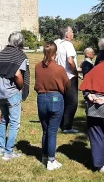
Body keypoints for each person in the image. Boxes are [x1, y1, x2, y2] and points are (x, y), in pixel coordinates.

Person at [0, 31, 30, 160]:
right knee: (14, 123)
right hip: (12, 92)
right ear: (20, 42)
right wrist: (21, 87)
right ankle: (8, 152)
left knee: (4, 119)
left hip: (0, 92)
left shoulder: (1, 54)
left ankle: (0, 148)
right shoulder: (20, 55)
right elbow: (18, 74)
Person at [34, 41, 70, 170]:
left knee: (45, 130)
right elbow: (67, 85)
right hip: (55, 98)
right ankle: (51, 160)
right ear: (55, 53)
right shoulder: (59, 68)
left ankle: (44, 156)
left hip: (41, 98)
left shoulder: (38, 66)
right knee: (52, 131)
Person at [54, 26, 79, 133]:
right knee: (72, 102)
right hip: (69, 76)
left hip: (58, 76)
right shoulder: (68, 45)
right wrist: (75, 72)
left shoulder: (56, 43)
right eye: (72, 32)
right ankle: (67, 126)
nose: (73, 34)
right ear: (67, 34)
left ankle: (59, 122)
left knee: (61, 100)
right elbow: (70, 60)